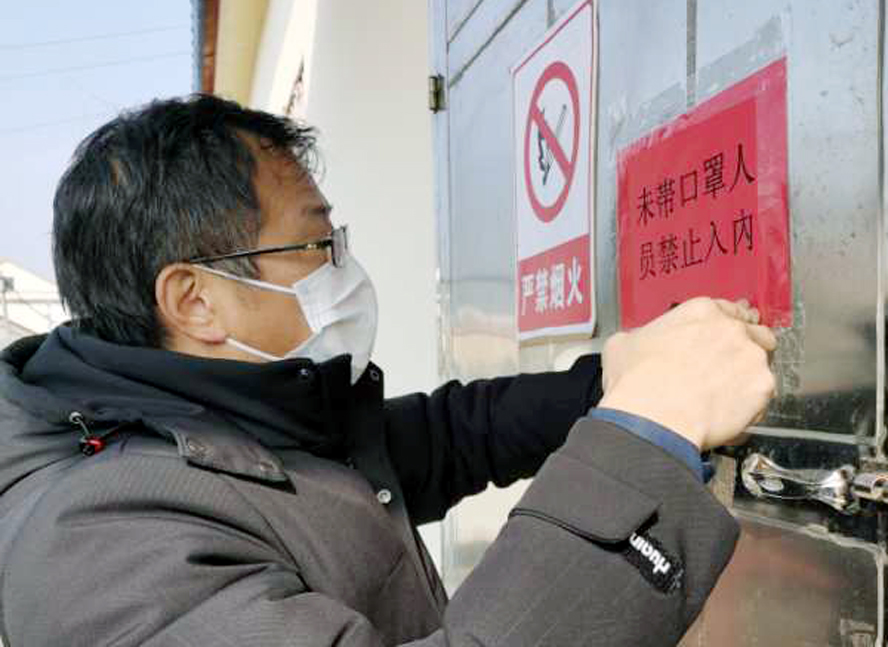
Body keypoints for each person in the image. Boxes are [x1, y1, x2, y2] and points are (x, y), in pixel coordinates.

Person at [0, 95, 776, 646]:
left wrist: (614, 380)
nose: (344, 267)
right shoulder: (102, 547)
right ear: (195, 300)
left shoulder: (226, 423)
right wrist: (646, 433)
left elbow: (448, 435)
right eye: (317, 245)